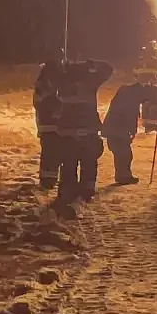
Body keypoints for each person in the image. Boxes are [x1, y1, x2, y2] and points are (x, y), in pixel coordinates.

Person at [55, 54, 113, 206]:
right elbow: (108, 69)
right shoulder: (90, 82)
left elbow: (49, 73)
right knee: (88, 162)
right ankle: (87, 191)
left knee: (68, 163)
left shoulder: (62, 81)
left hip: (67, 131)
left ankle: (68, 190)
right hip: (88, 131)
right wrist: (89, 63)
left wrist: (65, 66)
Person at [101, 77, 157, 184]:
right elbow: (128, 115)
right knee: (123, 153)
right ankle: (123, 176)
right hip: (117, 129)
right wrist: (130, 130)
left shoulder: (129, 93)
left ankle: (123, 175)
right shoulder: (130, 97)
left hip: (116, 129)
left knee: (123, 153)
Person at [33, 58, 63, 190]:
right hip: (49, 123)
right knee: (50, 153)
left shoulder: (46, 81)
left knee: (53, 153)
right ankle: (47, 180)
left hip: (51, 124)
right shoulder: (45, 83)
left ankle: (50, 179)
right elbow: (41, 100)